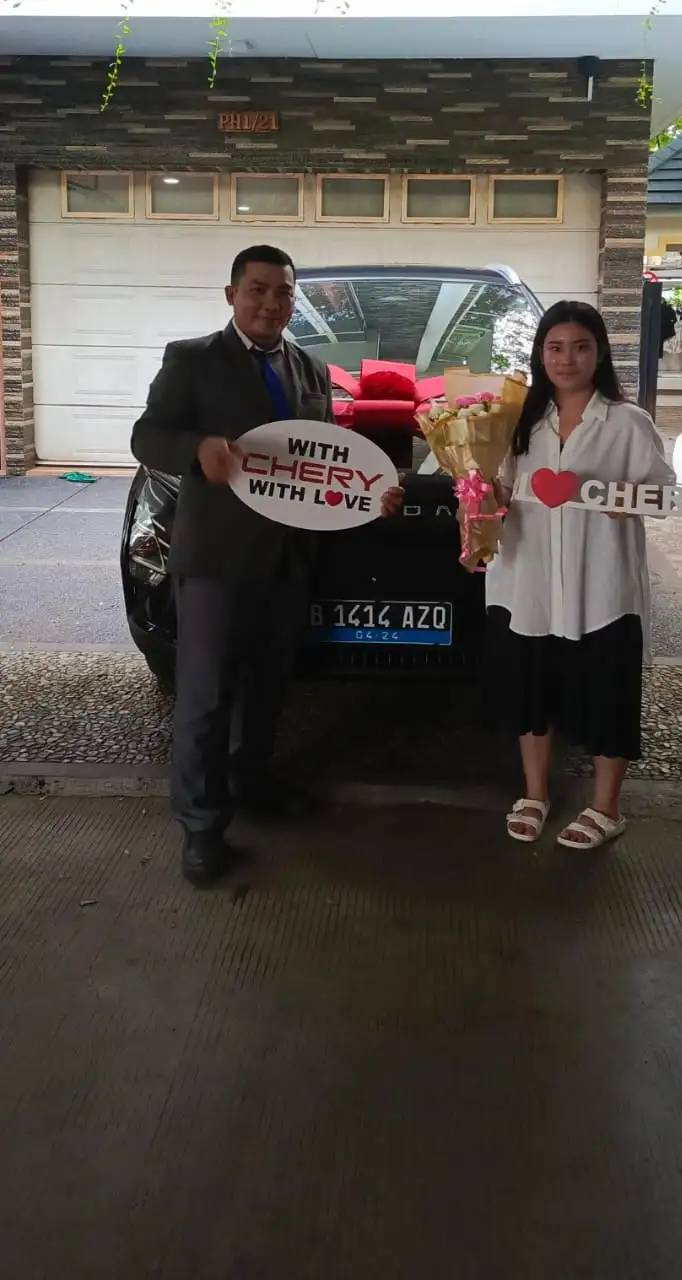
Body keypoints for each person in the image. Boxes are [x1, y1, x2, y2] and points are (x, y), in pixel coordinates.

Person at [131, 245, 402, 887]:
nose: (271, 303)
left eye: (283, 292)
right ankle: (201, 826)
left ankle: (253, 785)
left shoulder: (310, 369)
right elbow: (147, 436)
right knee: (205, 697)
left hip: (288, 558)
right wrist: (198, 447)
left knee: (267, 688)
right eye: (257, 290)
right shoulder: (192, 359)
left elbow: (325, 463)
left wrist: (371, 494)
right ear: (232, 295)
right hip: (217, 559)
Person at [486, 300, 674, 850]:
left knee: (607, 693)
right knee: (532, 691)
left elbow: (663, 493)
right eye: (555, 347)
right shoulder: (519, 422)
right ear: (540, 354)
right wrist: (480, 498)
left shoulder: (627, 423)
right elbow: (501, 490)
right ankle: (535, 793)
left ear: (600, 353)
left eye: (580, 347)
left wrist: (630, 500)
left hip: (601, 587)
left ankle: (606, 806)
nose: (567, 359)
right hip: (529, 582)